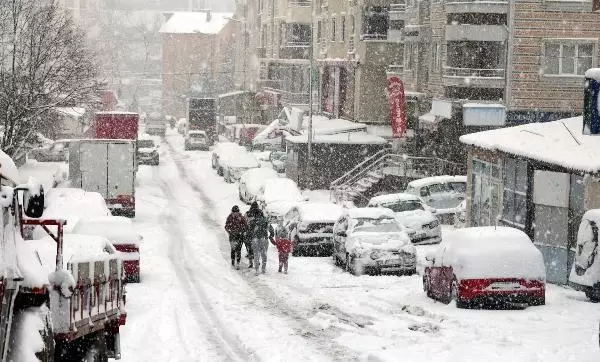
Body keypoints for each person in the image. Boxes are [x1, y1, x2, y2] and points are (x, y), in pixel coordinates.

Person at [246, 201, 274, 275]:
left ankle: (257, 270)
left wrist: (249, 238)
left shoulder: (253, 221)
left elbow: (248, 231)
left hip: (255, 239)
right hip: (264, 239)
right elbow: (271, 229)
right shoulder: (265, 221)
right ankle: (263, 268)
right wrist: (271, 235)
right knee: (264, 254)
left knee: (256, 255)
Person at [225, 205, 247, 269]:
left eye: (236, 212)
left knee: (238, 250)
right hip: (232, 236)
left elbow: (246, 226)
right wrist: (229, 231)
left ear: (238, 212)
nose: (234, 213)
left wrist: (242, 231)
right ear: (232, 212)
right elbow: (226, 226)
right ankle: (232, 261)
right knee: (233, 249)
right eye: (233, 212)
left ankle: (238, 263)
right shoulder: (229, 217)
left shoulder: (241, 218)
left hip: (240, 236)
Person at [244, 202, 262, 268]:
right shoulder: (260, 212)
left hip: (249, 233)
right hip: (257, 234)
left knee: (249, 248)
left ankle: (250, 262)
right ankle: (256, 261)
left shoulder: (247, 213)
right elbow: (263, 222)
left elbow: (244, 222)